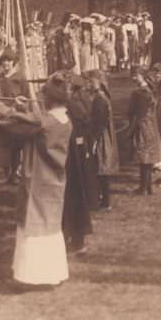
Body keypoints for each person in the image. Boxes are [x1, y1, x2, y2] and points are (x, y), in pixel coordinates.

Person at [0, 73, 73, 288]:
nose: (41, 98)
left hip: (39, 178)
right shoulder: (62, 119)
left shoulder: (45, 122)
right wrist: (23, 108)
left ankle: (33, 276)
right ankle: (51, 274)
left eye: (44, 96)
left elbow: (12, 124)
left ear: (51, 99)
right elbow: (32, 121)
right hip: (53, 181)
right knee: (49, 226)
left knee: (33, 226)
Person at [62, 78, 98, 254]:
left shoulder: (74, 106)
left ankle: (75, 239)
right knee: (75, 199)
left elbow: (81, 127)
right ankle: (74, 238)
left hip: (74, 158)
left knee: (74, 198)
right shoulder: (77, 103)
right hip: (76, 155)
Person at [127, 66, 161, 195]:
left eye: (136, 75)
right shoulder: (151, 90)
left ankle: (143, 187)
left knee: (144, 157)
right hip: (152, 125)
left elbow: (132, 111)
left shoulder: (139, 93)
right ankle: (147, 187)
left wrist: (131, 125)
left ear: (142, 76)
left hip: (142, 125)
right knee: (148, 157)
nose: (133, 78)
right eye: (132, 75)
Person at [85, 70, 118, 210]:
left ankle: (105, 201)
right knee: (100, 169)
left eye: (91, 82)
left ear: (99, 82)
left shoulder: (100, 99)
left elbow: (100, 122)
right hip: (101, 134)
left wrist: (95, 140)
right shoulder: (100, 97)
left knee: (101, 168)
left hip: (101, 136)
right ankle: (100, 198)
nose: (89, 84)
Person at [0, 48, 30, 185]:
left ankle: (15, 173)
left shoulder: (20, 79)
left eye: (9, 61)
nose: (6, 64)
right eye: (4, 61)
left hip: (17, 116)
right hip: (3, 116)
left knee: (16, 147)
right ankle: (6, 173)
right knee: (5, 146)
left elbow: (27, 98)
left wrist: (20, 108)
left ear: (13, 62)